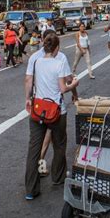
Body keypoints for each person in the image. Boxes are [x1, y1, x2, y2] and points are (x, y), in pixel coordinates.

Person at [24, 33, 79, 199]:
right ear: (56, 48)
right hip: (56, 111)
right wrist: (74, 85)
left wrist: (28, 99)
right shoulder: (59, 62)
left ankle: (31, 190)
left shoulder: (36, 61)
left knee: (33, 149)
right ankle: (58, 177)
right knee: (60, 144)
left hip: (38, 109)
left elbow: (28, 80)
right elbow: (63, 88)